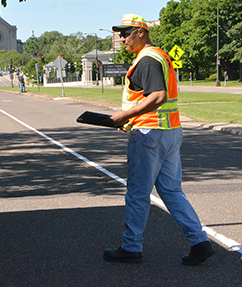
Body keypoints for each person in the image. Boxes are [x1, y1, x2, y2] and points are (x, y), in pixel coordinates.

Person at [104, 14, 214, 265]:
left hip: (149, 136)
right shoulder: (161, 56)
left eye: (127, 33)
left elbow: (157, 97)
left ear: (141, 32)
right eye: (120, 34)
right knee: (171, 190)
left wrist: (124, 116)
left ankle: (131, 247)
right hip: (169, 132)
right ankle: (199, 241)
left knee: (137, 192)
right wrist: (130, 120)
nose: (122, 38)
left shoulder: (147, 60)